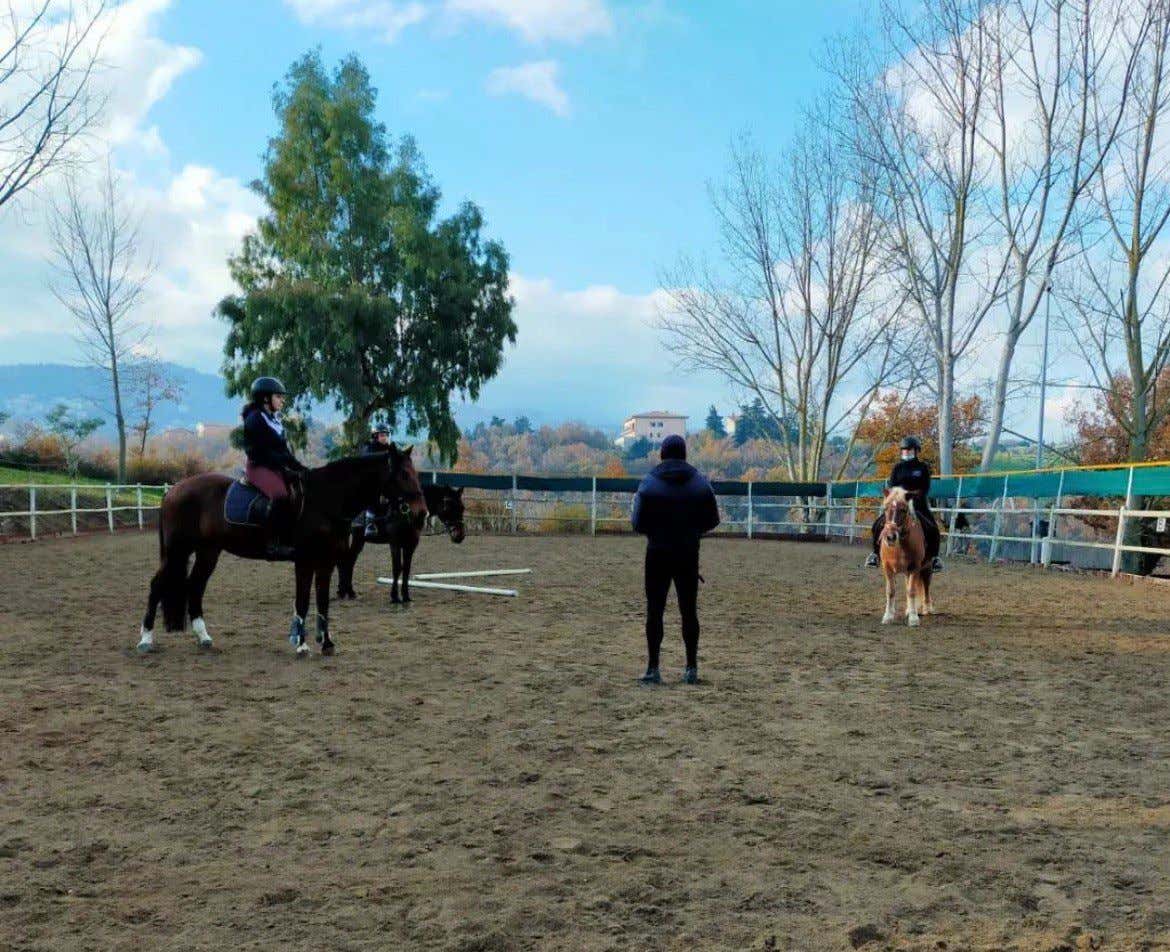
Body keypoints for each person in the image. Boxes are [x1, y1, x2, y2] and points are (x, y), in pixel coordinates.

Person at [631, 434, 721, 685]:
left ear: (662, 453)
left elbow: (637, 523)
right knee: (689, 611)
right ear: (684, 454)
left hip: (657, 553)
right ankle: (691, 668)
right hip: (688, 553)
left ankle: (653, 668)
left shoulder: (649, 483)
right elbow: (712, 520)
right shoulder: (700, 483)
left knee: (654, 611)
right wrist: (691, 532)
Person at [241, 376, 308, 560]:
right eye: (279, 396)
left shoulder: (275, 421)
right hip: (258, 467)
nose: (283, 400)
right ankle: (271, 544)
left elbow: (284, 452)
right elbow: (261, 453)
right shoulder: (255, 419)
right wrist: (285, 467)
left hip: (275, 466)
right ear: (265, 398)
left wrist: (301, 469)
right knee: (280, 495)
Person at [864, 436, 944, 572]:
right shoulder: (897, 467)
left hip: (918, 503)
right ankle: (875, 555)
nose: (906, 452)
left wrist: (913, 495)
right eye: (904, 450)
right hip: (898, 503)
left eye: (909, 449)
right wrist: (898, 496)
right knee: (877, 525)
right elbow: (892, 485)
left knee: (933, 528)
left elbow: (925, 486)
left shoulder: (922, 467)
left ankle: (935, 558)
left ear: (916, 451)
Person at [361, 425, 392, 540]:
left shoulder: (389, 448)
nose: (385, 438)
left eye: (386, 435)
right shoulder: (369, 447)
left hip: (386, 481)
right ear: (375, 436)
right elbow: (367, 457)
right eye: (382, 435)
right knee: (372, 493)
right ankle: (370, 524)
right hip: (371, 482)